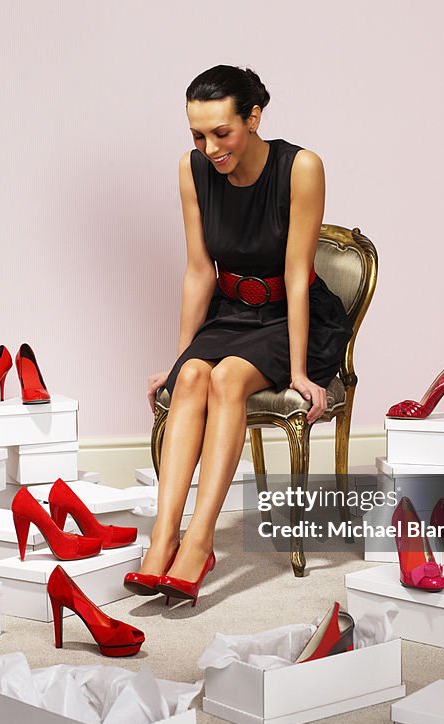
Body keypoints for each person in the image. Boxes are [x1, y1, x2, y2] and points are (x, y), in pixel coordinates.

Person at [124, 65, 353, 603]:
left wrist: (299, 371)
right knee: (192, 379)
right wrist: (181, 359)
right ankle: (164, 538)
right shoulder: (192, 169)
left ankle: (200, 543)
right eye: (197, 135)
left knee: (227, 378)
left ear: (253, 118)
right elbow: (200, 270)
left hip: (291, 316)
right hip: (231, 311)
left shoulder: (301, 167)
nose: (209, 148)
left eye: (220, 133)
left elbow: (298, 273)